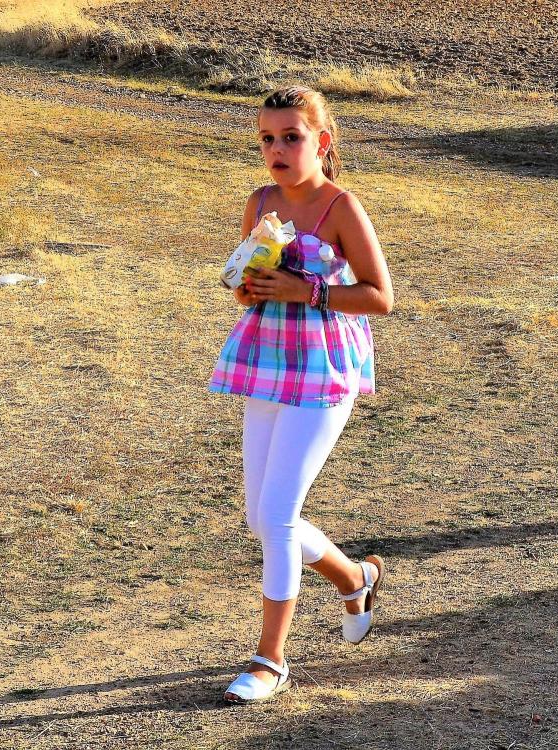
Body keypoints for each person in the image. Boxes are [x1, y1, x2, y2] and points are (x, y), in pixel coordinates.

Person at [208, 85, 394, 704]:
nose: (278, 150)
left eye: (292, 137)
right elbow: (245, 283)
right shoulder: (260, 202)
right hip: (267, 362)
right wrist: (250, 285)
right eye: (268, 138)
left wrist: (305, 290)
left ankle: (270, 660)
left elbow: (380, 296)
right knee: (260, 518)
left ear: (322, 141)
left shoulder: (341, 207)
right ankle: (354, 577)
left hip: (323, 370)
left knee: (280, 515)